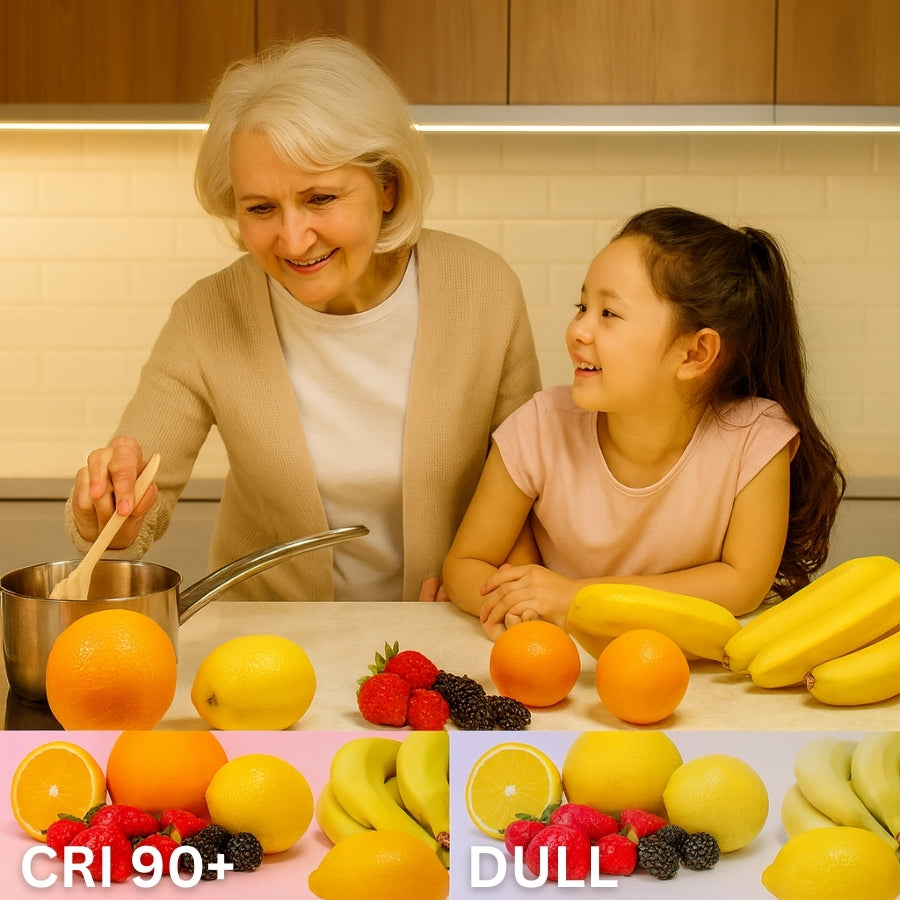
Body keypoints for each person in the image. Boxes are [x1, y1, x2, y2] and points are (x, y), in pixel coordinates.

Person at [65, 36, 541, 603]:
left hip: (441, 634)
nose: (293, 239)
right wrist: (107, 508)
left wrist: (484, 586)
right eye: (261, 208)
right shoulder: (207, 316)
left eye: (320, 199)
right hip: (268, 638)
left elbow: (531, 487)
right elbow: (136, 499)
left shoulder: (483, 291)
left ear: (387, 188)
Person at [443, 206, 845, 639]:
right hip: (562, 657)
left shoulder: (756, 438)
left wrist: (576, 597)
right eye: (582, 307)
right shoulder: (539, 427)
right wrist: (513, 603)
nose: (577, 330)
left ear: (696, 353)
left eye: (608, 314)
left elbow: (742, 584)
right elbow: (466, 564)